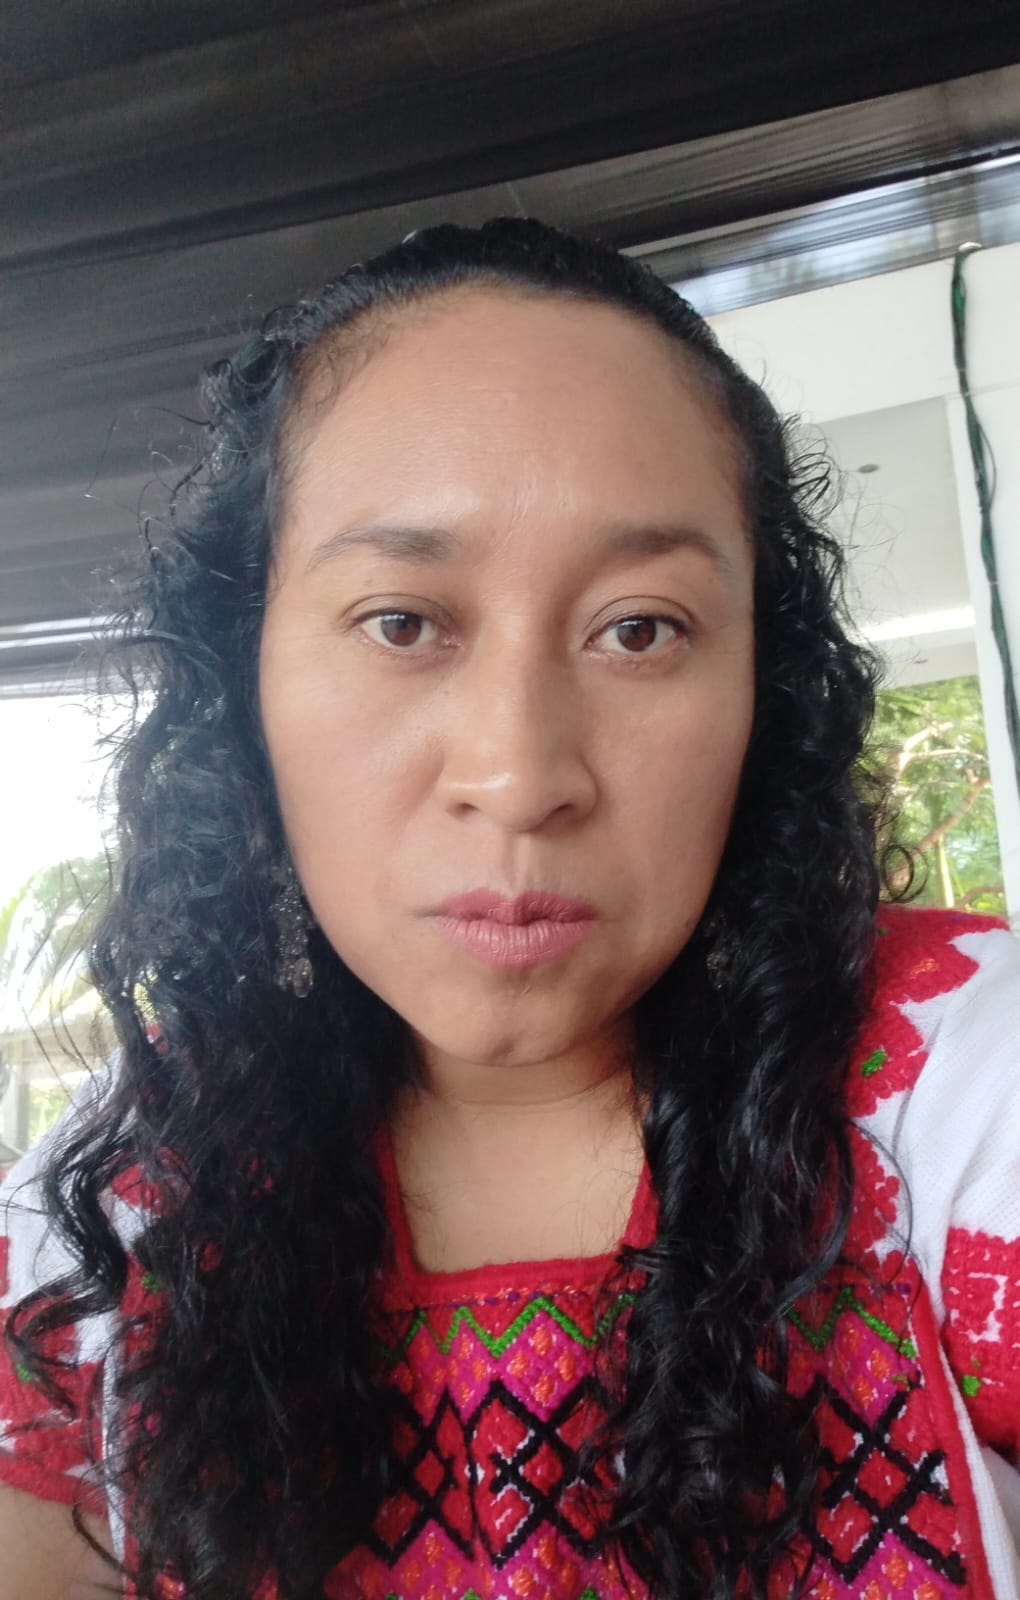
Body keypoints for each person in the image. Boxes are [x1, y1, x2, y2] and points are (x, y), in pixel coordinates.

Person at [0, 216, 1017, 1600]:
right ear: (246, 687)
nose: (522, 776)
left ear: (760, 691)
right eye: (402, 622)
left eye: (640, 628)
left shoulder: (958, 1082)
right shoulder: (116, 1208)